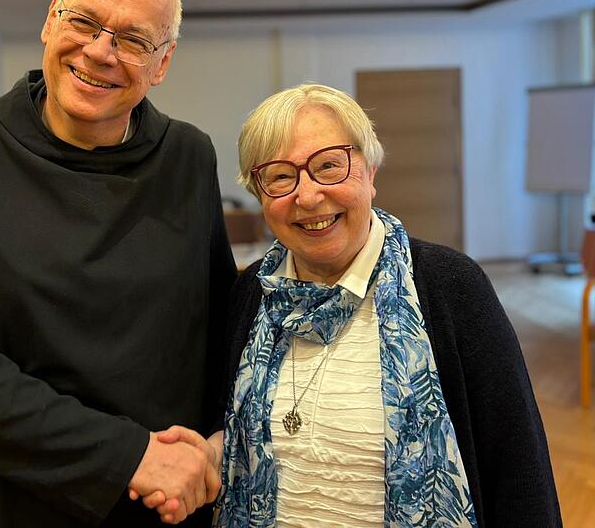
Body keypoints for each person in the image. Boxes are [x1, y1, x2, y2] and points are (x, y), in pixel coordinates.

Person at [0, 0, 237, 527]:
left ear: (162, 62)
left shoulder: (188, 156)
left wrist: (218, 443)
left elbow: (216, 325)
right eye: (84, 21)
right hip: (5, 501)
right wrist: (128, 457)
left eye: (133, 39)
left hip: (159, 505)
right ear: (51, 19)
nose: (100, 51)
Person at [144, 84, 562, 526]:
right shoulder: (251, 294)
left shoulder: (451, 286)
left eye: (329, 165)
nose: (307, 197)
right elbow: (240, 426)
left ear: (370, 171)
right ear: (260, 194)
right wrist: (214, 452)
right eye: (280, 176)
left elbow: (518, 467)